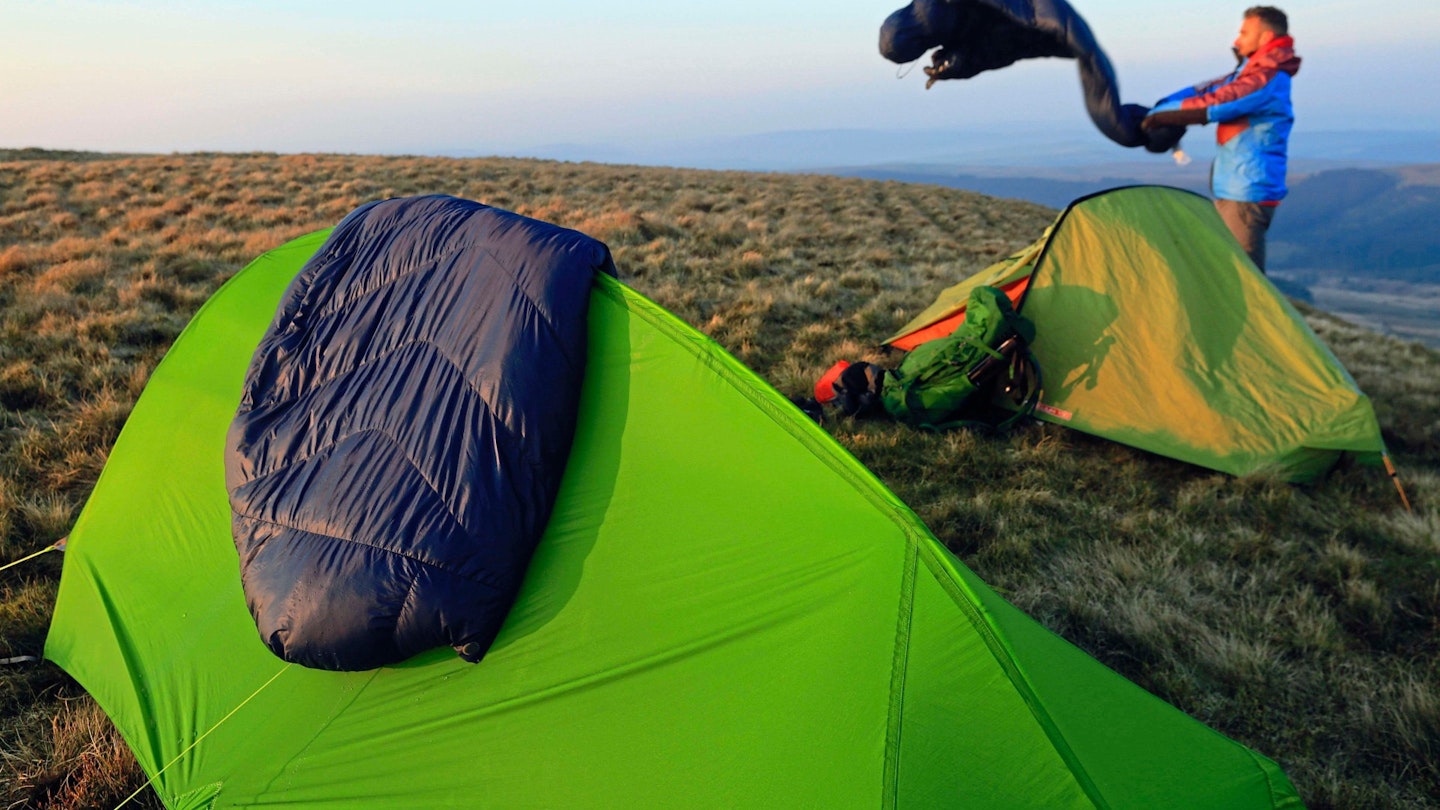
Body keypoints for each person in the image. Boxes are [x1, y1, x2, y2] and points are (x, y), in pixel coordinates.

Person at [1142, 7, 1301, 272]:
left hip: (1246, 193)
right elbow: (1210, 88)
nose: (1236, 41)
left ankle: (1258, 316)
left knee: (1245, 279)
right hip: (1236, 188)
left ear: (1265, 38)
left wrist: (1159, 117)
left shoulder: (1266, 78)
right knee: (1230, 272)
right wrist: (1163, 105)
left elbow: (1218, 104)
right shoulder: (1252, 73)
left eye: (1244, 33)